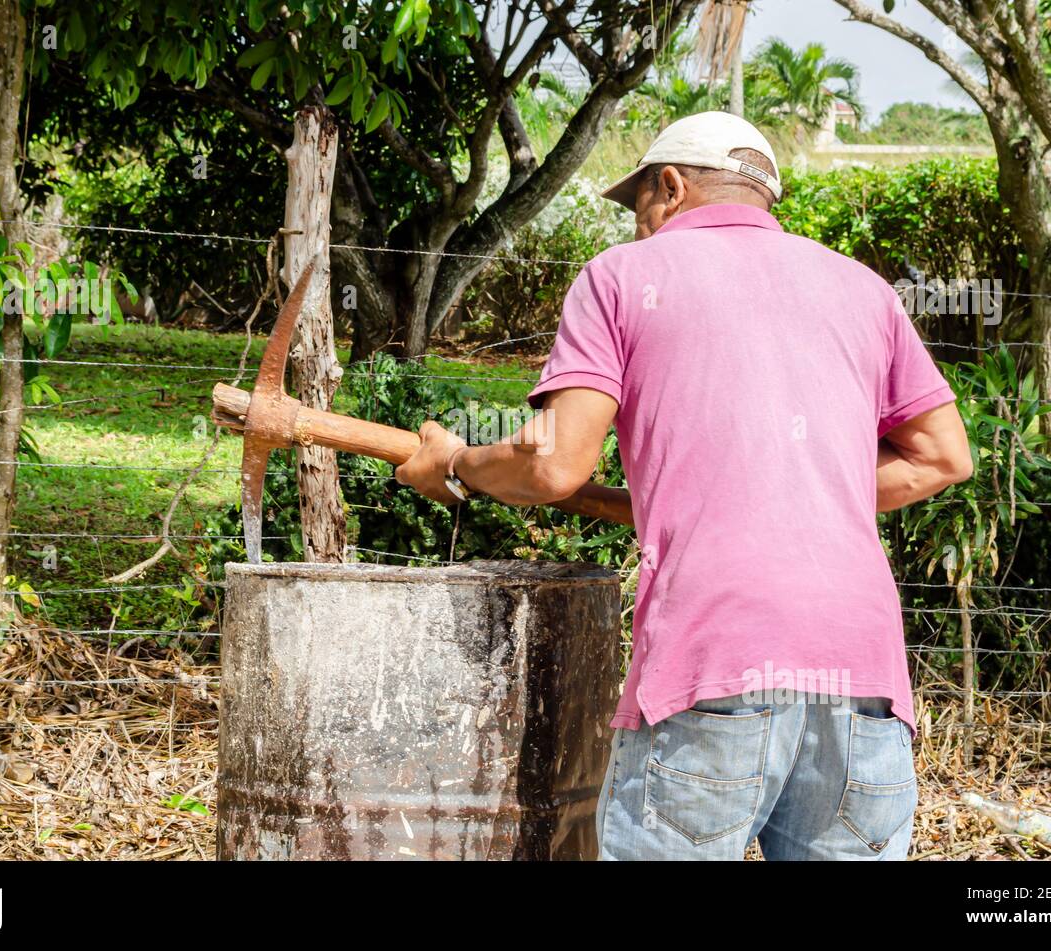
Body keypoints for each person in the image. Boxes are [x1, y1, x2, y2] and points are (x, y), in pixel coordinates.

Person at [394, 111, 973, 860]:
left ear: (670, 185)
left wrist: (455, 460)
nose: (640, 228)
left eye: (640, 208)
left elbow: (553, 463)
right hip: (862, 681)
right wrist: (784, 483)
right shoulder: (862, 289)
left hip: (715, 665)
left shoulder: (622, 277)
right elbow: (942, 458)